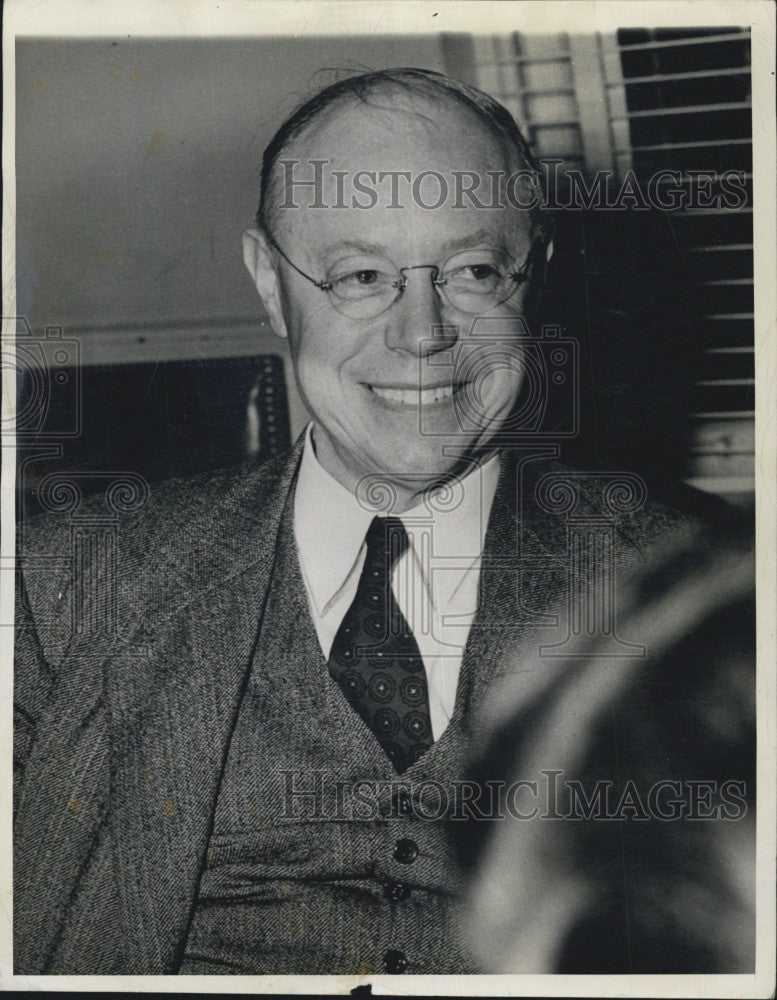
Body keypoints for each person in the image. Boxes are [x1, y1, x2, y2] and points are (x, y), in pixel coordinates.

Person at [14, 68, 711, 975]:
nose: (421, 332)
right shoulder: (62, 585)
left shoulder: (689, 594)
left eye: (470, 271)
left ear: (530, 276)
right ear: (271, 284)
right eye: (361, 276)